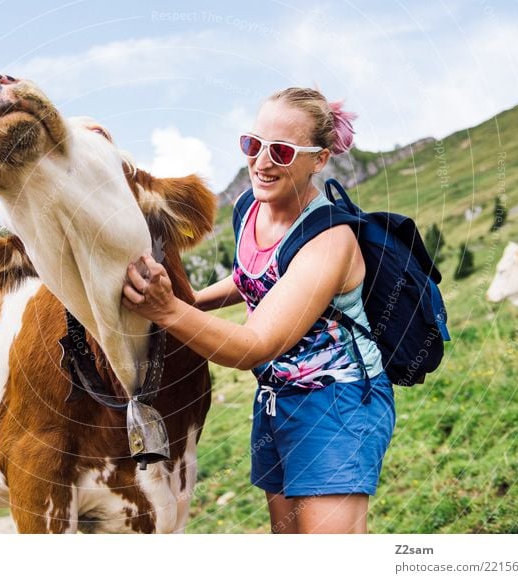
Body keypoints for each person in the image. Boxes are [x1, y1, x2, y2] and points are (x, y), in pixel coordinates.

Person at [121, 88, 396, 534]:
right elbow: (253, 278)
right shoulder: (252, 207)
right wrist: (191, 304)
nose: (262, 162)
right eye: (253, 143)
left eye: (282, 151)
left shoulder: (328, 240)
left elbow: (254, 345)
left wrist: (168, 310)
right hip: (276, 400)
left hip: (338, 403)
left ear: (319, 159)